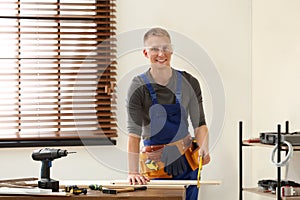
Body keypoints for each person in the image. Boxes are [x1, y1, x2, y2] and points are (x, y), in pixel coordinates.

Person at [126, 27, 210, 200]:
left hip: (187, 161)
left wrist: (203, 149)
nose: (161, 54)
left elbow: (200, 125)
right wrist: (133, 172)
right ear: (145, 52)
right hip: (155, 164)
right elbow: (134, 133)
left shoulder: (190, 82)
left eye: (165, 48)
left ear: (171, 50)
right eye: (154, 49)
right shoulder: (138, 86)